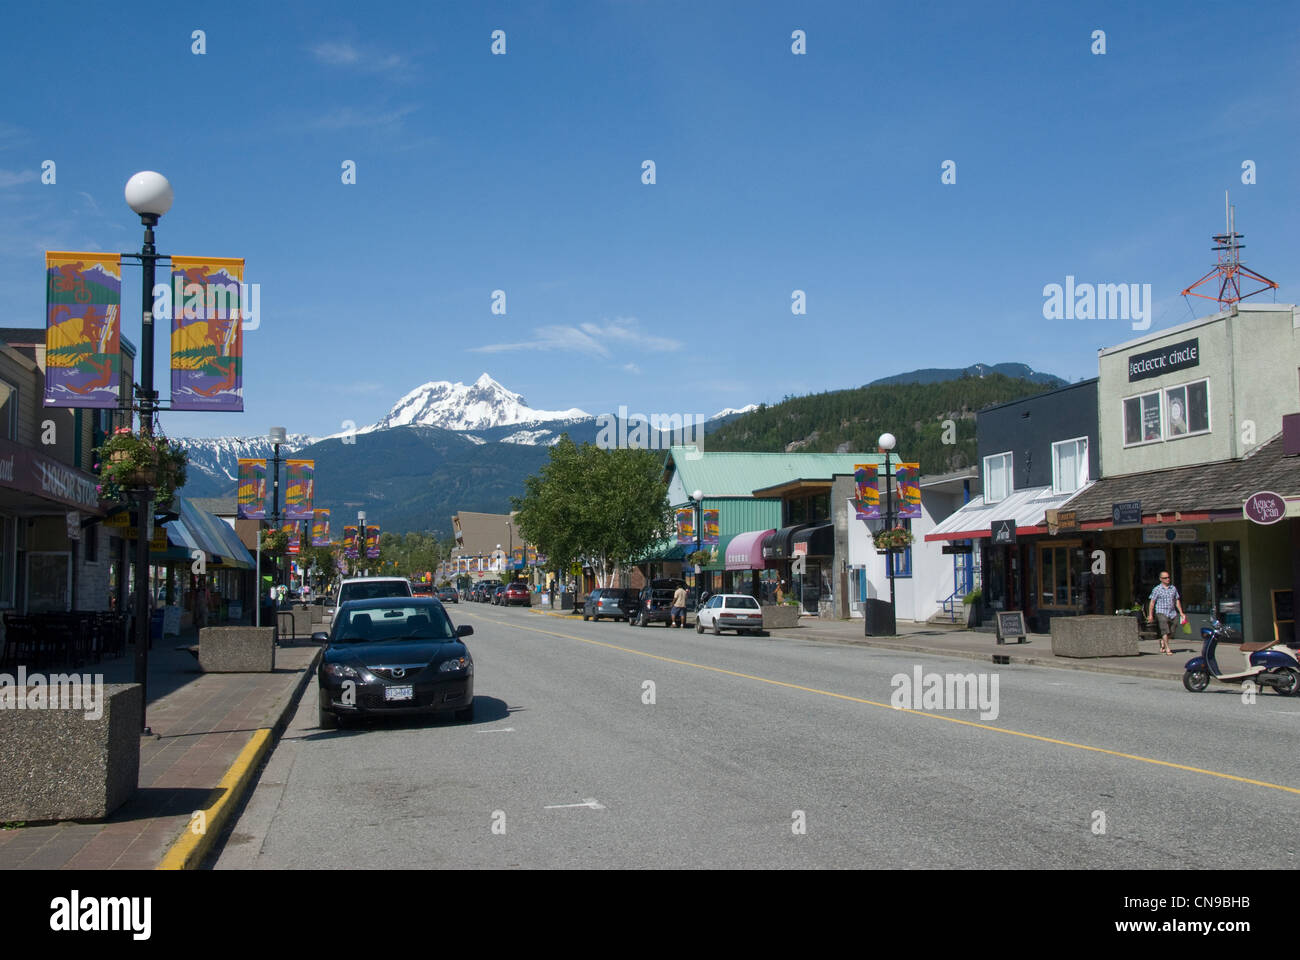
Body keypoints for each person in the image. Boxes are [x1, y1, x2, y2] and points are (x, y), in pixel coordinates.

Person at [1147, 570, 1185, 656]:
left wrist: (1181, 612)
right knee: (1164, 629)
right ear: (1161, 579)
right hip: (1161, 611)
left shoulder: (1173, 588)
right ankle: (1167, 648)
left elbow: (1177, 600)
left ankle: (1163, 641)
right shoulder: (1157, 589)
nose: (1168, 579)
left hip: (1172, 612)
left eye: (1168, 577)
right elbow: (1152, 602)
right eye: (1165, 578)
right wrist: (1150, 615)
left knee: (1173, 629)